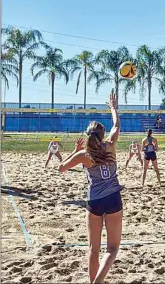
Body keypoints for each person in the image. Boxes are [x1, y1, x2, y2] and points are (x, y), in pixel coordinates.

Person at [58, 91, 123, 284]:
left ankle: (93, 282)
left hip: (94, 202)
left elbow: (61, 168)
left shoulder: (83, 155)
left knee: (93, 249)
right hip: (113, 199)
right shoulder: (110, 145)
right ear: (102, 136)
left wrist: (75, 151)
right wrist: (113, 108)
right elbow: (117, 125)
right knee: (112, 249)